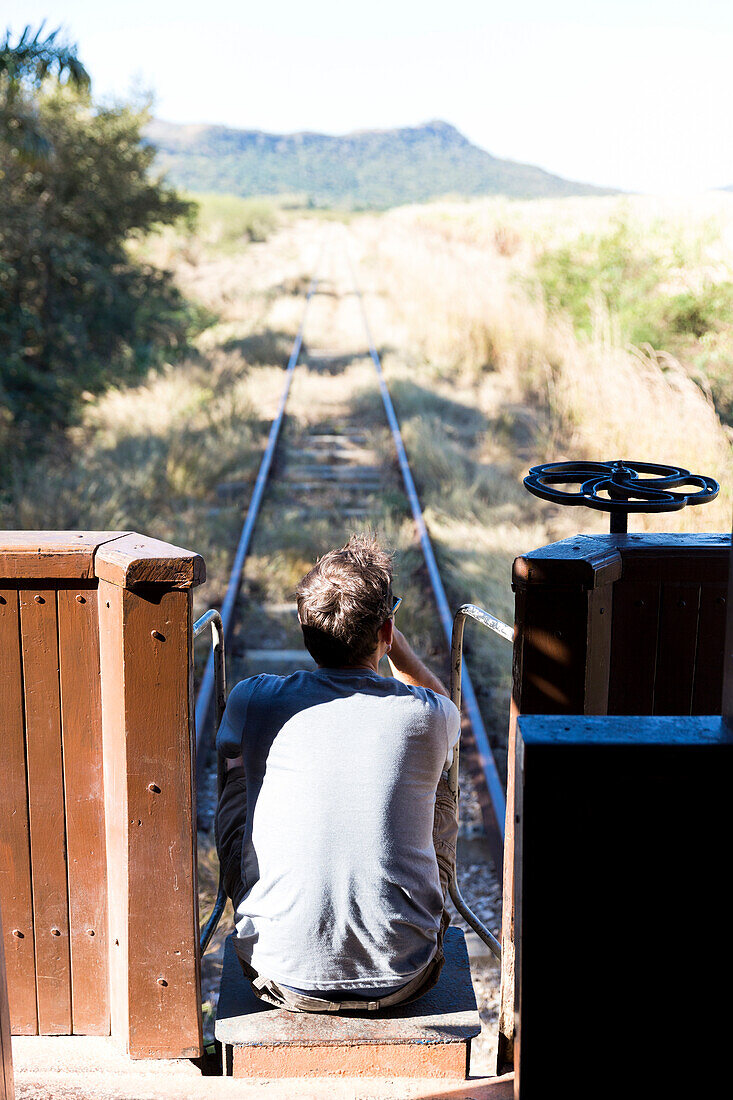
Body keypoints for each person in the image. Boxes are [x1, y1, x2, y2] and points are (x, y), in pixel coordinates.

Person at [215, 533, 461, 1013]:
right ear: (386, 634)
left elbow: (230, 756)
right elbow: (444, 703)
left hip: (277, 974)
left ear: (306, 631)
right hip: (405, 973)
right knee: (437, 777)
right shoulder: (428, 713)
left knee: (239, 769)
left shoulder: (253, 697)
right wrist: (396, 644)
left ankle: (268, 905)